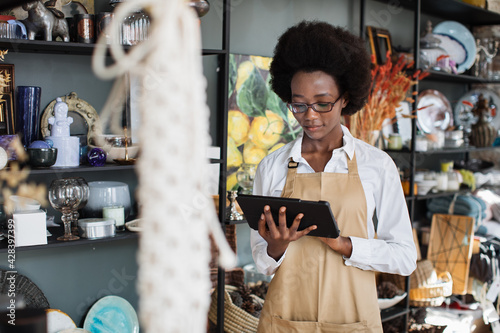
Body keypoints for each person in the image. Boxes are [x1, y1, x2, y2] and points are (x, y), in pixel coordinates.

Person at [250, 21, 417, 332]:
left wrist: (347, 245)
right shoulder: (272, 166)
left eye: (323, 103)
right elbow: (262, 260)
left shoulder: (377, 165)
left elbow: (405, 257)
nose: (310, 116)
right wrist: (276, 246)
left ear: (345, 98)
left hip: (353, 321)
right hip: (286, 322)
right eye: (298, 105)